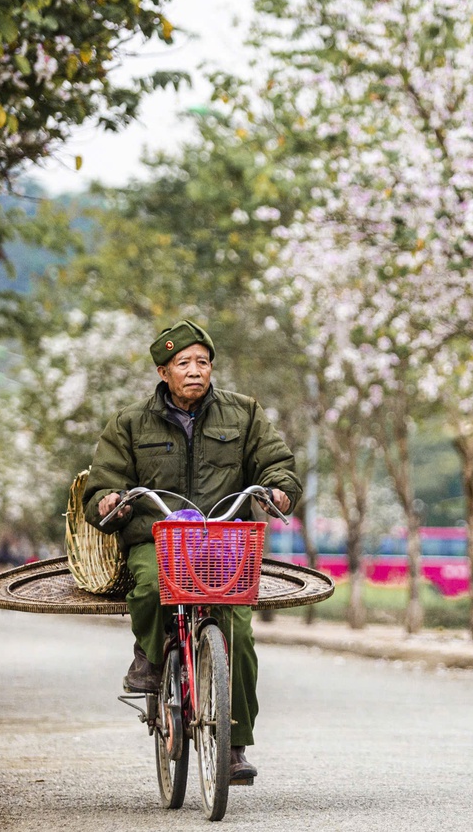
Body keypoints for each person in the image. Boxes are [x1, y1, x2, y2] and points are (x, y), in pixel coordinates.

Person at [84, 319, 303, 781]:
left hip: (224, 541)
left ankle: (234, 745)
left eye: (202, 362)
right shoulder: (128, 422)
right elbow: (104, 481)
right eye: (183, 363)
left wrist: (280, 490)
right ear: (163, 372)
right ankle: (151, 651)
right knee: (147, 588)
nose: (195, 370)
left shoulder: (243, 414)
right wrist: (107, 500)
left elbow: (277, 461)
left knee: (238, 632)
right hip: (157, 537)